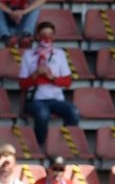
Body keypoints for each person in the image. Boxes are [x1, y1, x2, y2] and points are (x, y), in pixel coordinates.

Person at [18, 21, 80, 149]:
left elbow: (67, 82)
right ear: (37, 36)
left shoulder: (60, 54)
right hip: (36, 99)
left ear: (54, 37)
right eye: (43, 35)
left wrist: (52, 78)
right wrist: (36, 74)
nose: (46, 38)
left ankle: (66, 144)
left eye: (50, 35)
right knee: (42, 114)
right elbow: (22, 84)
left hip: (56, 99)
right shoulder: (28, 55)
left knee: (73, 111)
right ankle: (39, 146)